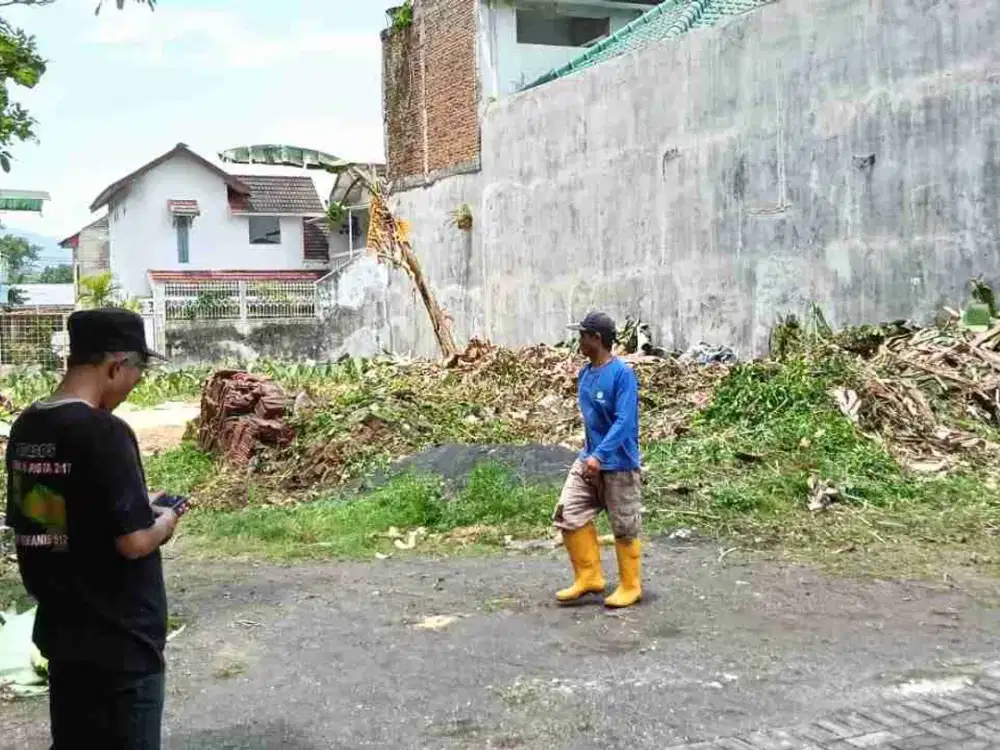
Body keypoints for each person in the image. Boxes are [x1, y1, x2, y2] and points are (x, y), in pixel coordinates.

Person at [4, 308, 185, 750]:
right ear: (115, 366)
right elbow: (134, 542)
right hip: (120, 642)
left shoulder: (30, 424)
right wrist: (166, 518)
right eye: (136, 374)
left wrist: (131, 506)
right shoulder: (104, 432)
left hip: (64, 637)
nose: (133, 387)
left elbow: (50, 516)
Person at [553, 311, 643, 608]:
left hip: (619, 464)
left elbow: (624, 421)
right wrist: (590, 456)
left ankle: (630, 586)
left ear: (597, 339)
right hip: (589, 460)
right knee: (569, 512)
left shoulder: (622, 375)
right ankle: (589, 576)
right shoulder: (586, 374)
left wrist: (601, 455)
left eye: (582, 336)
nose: (578, 341)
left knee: (624, 527)